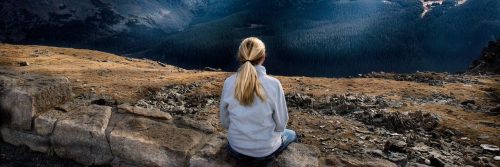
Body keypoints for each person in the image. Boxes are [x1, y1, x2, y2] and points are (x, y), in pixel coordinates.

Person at [219, 37, 297, 165]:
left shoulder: (229, 82)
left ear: (240, 56)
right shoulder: (273, 84)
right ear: (263, 56)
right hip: (265, 152)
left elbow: (225, 122)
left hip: (236, 148)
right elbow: (281, 124)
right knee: (292, 134)